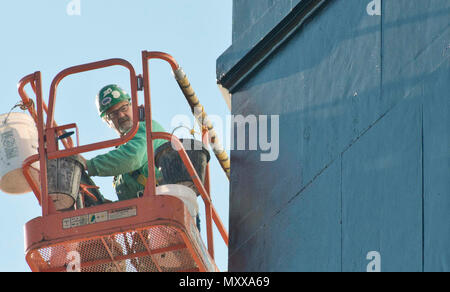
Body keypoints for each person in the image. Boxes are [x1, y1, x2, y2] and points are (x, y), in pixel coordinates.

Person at [79, 84, 166, 201]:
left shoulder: (147, 128)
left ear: (133, 107)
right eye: (113, 114)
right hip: (145, 210)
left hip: (162, 201)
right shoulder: (120, 158)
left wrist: (88, 165)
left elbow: (133, 156)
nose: (121, 115)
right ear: (108, 122)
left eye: (124, 108)